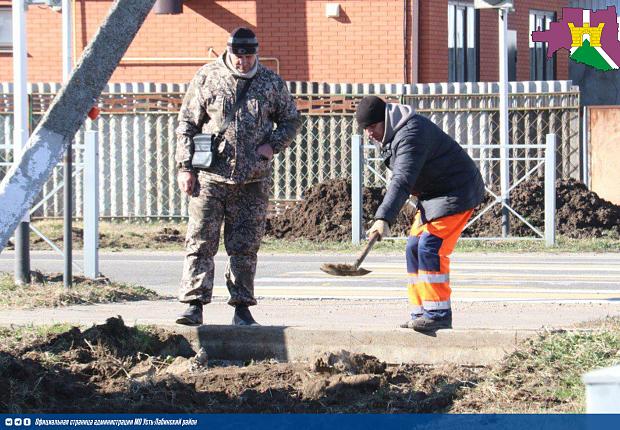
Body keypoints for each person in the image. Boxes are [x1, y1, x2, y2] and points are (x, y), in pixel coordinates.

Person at [174, 27, 301, 326]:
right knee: (200, 241)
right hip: (210, 178)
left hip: (252, 180)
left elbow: (292, 119)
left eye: (248, 55)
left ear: (256, 52)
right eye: (238, 55)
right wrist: (184, 167)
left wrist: (273, 145)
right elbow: (187, 123)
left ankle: (242, 307)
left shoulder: (270, 82)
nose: (243, 61)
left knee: (245, 246)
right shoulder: (208, 77)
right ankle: (194, 304)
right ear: (229, 52)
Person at [356, 96, 485, 332]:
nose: (369, 134)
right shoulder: (390, 134)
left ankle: (438, 313)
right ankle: (420, 313)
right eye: (365, 129)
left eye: (372, 127)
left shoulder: (410, 134)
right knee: (413, 247)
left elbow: (402, 179)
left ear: (384, 119)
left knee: (430, 246)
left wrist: (383, 217)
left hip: (457, 191)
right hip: (433, 195)